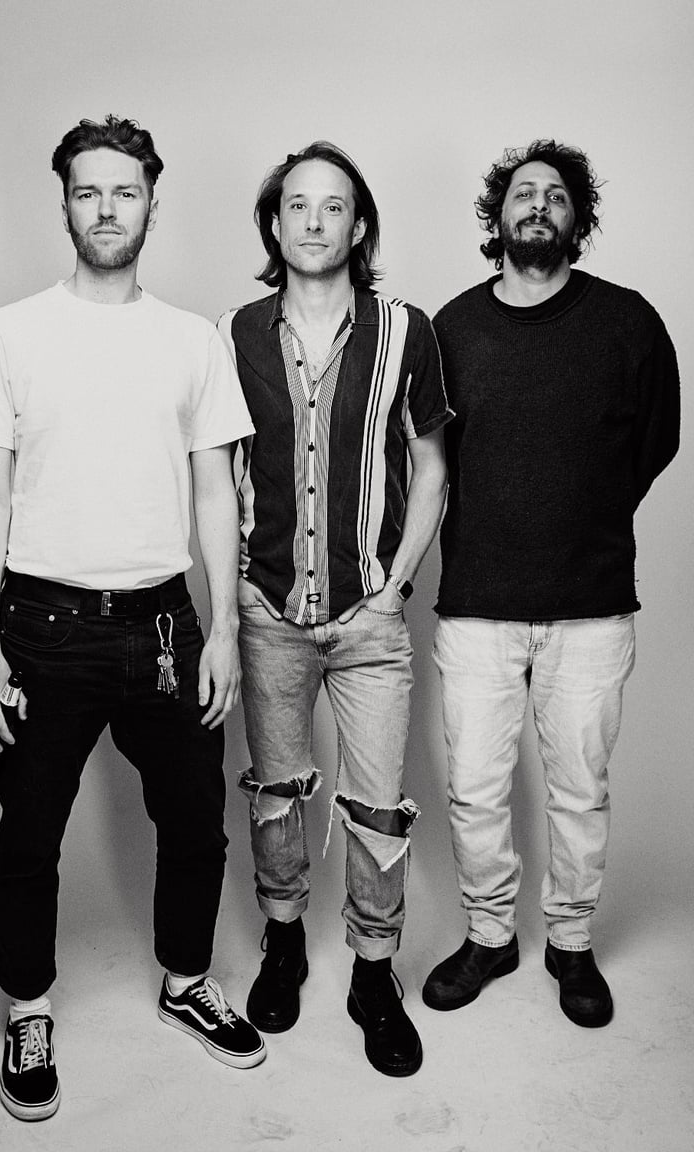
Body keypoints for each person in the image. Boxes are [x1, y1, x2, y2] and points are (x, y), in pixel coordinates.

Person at [0, 114, 265, 1123]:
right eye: (89, 190)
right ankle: (29, 1008)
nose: (108, 207)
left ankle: (183, 980)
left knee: (199, 826)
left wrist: (224, 633)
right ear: (65, 204)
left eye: (126, 190)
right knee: (29, 834)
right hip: (40, 626)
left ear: (153, 202)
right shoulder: (9, 333)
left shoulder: (192, 340)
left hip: (166, 628)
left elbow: (217, 494)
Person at [422, 140, 680, 1028]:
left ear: (579, 219)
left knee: (580, 789)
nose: (539, 206)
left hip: (592, 606)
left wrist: (587, 508)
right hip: (478, 607)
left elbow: (656, 441)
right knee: (475, 787)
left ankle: (571, 945)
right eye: (522, 195)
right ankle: (490, 935)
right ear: (497, 219)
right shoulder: (451, 328)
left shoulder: (628, 322)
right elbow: (428, 462)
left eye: (557, 196)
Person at [217, 141, 452, 1077]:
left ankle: (372, 972)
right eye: (298, 207)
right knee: (276, 793)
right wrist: (235, 574)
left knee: (376, 806)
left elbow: (431, 465)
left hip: (368, 619)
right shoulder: (234, 332)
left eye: (335, 208)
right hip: (269, 611)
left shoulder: (408, 331)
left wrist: (395, 583)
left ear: (361, 226)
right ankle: (281, 945)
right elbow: (216, 468)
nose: (315, 223)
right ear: (276, 225)